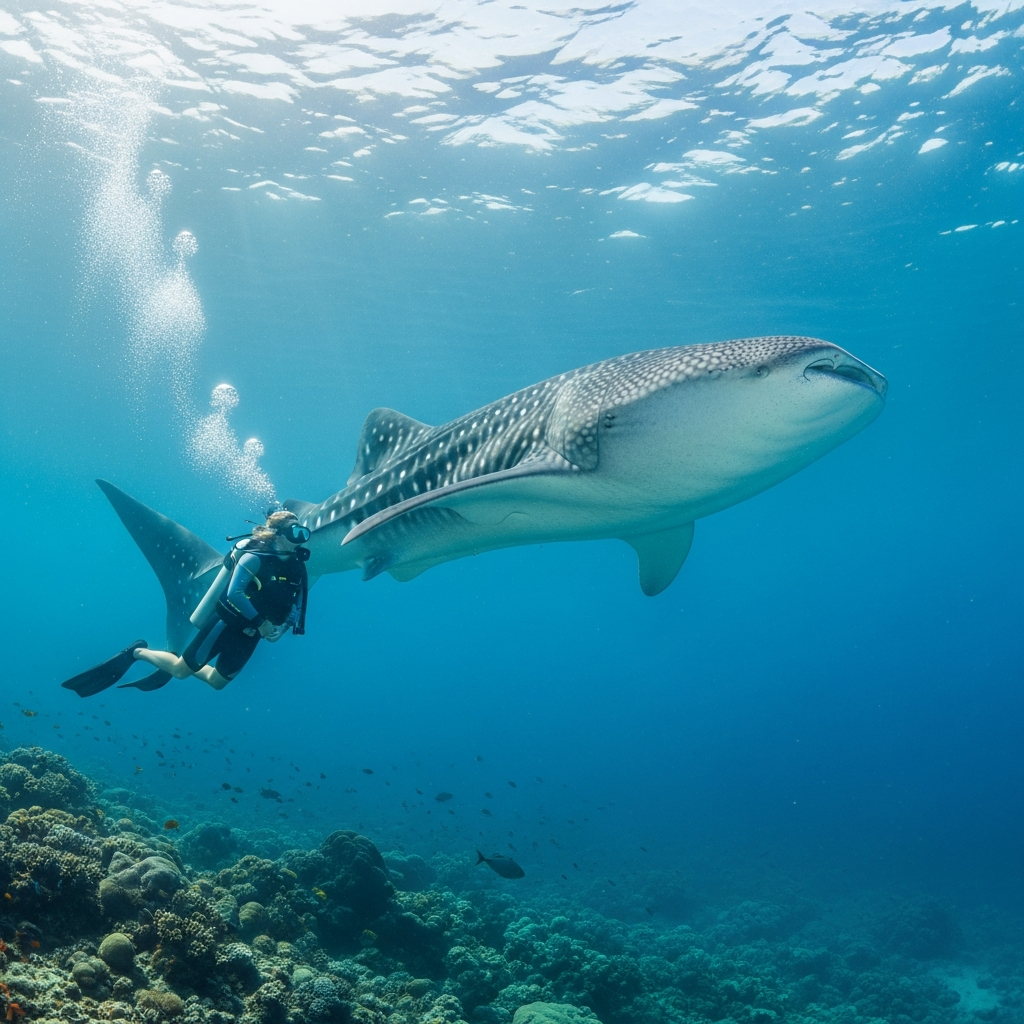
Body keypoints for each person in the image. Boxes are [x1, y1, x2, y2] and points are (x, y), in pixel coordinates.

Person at [60, 510, 310, 696]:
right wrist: (262, 622)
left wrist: (284, 626)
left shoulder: (298, 567)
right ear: (277, 534)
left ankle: (180, 658)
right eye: (294, 532)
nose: (300, 537)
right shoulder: (255, 558)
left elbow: (296, 600)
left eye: (302, 532)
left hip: (254, 633)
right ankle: (138, 652)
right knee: (180, 672)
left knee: (217, 683)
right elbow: (234, 594)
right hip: (227, 624)